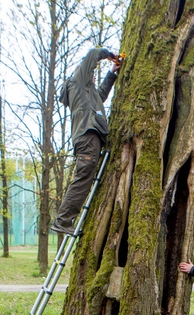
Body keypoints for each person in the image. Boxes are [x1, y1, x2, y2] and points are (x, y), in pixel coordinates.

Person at [51, 48, 121, 235]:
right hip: (87, 137)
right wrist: (107, 54)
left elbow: (101, 96)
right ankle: (63, 220)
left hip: (91, 137)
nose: (94, 79)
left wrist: (111, 73)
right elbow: (91, 55)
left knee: (86, 177)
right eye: (92, 76)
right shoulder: (77, 82)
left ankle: (64, 219)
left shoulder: (87, 94)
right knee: (83, 178)